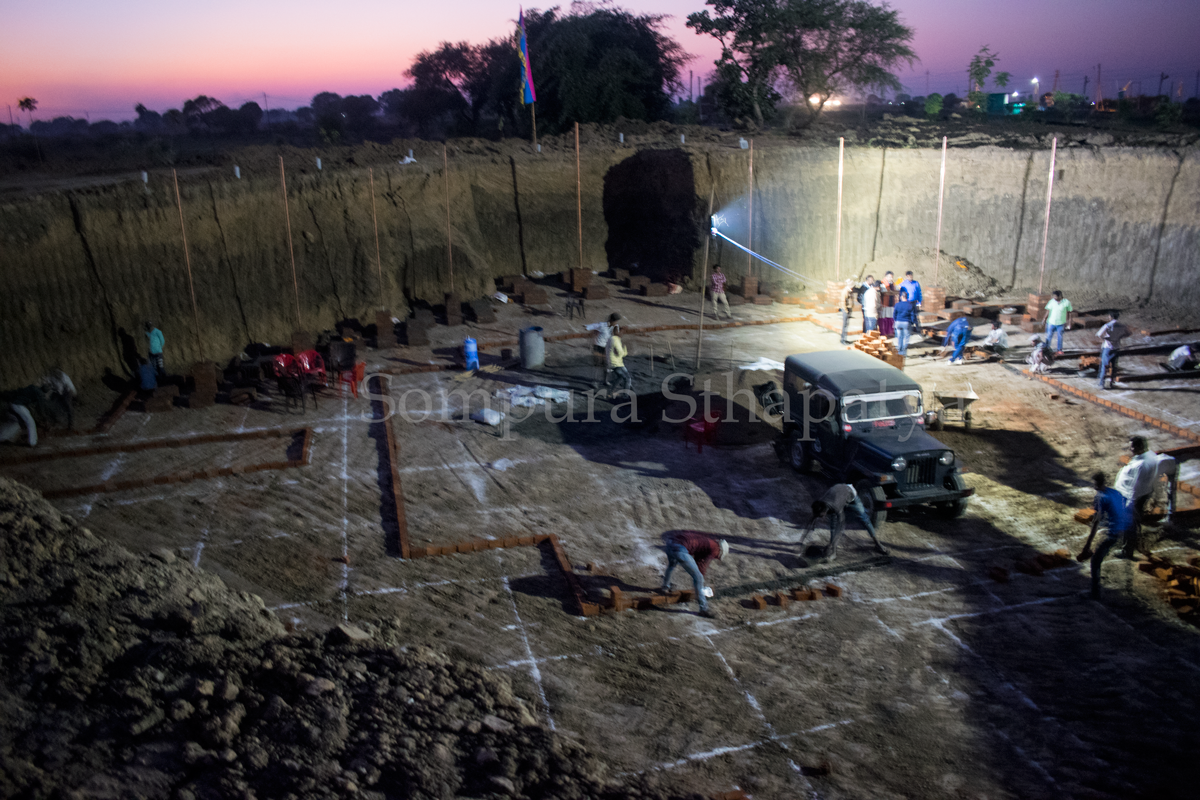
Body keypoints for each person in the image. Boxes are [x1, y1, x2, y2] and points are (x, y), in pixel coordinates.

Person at [1114, 436, 1178, 555]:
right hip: (1135, 495)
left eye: (1132, 447)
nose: (1130, 449)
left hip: (1135, 497)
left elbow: (1137, 486)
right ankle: (1131, 544)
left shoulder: (1142, 465)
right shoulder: (1148, 455)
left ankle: (1127, 550)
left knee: (1130, 522)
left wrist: (1130, 502)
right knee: (1132, 521)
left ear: (1139, 447)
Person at [1077, 472, 1134, 599]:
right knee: (1100, 554)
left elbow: (1096, 521)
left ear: (1096, 483)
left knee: (1095, 561)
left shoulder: (1100, 497)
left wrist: (1087, 545)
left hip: (1111, 533)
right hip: (1121, 530)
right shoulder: (1115, 492)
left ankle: (1095, 593)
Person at [799, 483, 890, 562]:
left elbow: (840, 528)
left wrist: (832, 544)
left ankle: (878, 544)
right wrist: (802, 542)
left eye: (821, 515)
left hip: (850, 493)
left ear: (824, 511)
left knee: (864, 519)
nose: (820, 517)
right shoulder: (820, 504)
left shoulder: (836, 506)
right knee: (832, 525)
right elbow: (811, 521)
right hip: (838, 492)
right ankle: (833, 551)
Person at [660, 531, 728, 618]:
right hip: (680, 549)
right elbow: (703, 563)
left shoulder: (708, 542)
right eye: (718, 556)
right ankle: (703, 609)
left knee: (672, 565)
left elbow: (699, 558)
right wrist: (700, 578)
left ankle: (665, 587)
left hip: (670, 543)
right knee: (698, 577)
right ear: (720, 550)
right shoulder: (715, 548)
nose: (716, 557)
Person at [1095, 311, 1131, 390]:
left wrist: (1104, 339)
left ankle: (1102, 383)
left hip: (1107, 347)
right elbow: (1128, 333)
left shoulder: (1107, 325)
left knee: (1104, 366)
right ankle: (1111, 383)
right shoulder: (1121, 326)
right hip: (1116, 348)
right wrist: (1120, 337)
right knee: (1114, 366)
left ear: (1110, 317)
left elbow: (1098, 334)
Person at [586, 313, 621, 383]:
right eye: (615, 321)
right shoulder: (602, 325)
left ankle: (606, 380)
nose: (616, 323)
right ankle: (595, 381)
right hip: (598, 346)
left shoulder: (616, 327)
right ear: (611, 320)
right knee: (598, 365)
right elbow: (592, 328)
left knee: (607, 365)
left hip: (607, 347)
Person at [1039, 289, 1074, 355]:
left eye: (1056, 296)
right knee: (1049, 336)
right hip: (1051, 322)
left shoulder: (1066, 302)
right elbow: (1047, 311)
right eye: (1054, 296)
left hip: (1061, 323)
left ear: (1060, 296)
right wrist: (1044, 319)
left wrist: (1069, 323)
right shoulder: (1051, 302)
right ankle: (1046, 348)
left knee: (1060, 336)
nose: (1054, 298)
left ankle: (1059, 350)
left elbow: (1070, 313)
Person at [605, 324, 630, 396]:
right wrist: (625, 350)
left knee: (620, 377)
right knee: (627, 378)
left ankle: (611, 392)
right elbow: (621, 353)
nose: (622, 334)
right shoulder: (616, 340)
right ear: (618, 332)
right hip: (616, 363)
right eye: (621, 332)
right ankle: (625, 396)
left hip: (611, 363)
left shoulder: (610, 339)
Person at [892, 289, 918, 356]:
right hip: (906, 322)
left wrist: (895, 320)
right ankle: (903, 352)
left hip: (898, 322)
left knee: (899, 337)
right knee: (906, 338)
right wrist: (912, 322)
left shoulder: (897, 305)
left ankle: (899, 350)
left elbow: (894, 314)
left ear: (902, 297)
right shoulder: (910, 305)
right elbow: (912, 315)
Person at [878, 271, 896, 337]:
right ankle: (883, 332)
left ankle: (889, 332)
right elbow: (883, 293)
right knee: (883, 319)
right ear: (886, 276)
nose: (891, 278)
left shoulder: (892, 284)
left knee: (890, 318)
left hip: (891, 304)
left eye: (892, 277)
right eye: (889, 277)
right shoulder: (882, 283)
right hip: (884, 304)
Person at [838, 278, 857, 345]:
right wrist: (846, 311)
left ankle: (845, 339)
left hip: (849, 309)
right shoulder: (845, 291)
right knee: (845, 325)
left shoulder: (849, 290)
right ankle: (843, 340)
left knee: (846, 325)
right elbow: (843, 302)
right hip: (846, 310)